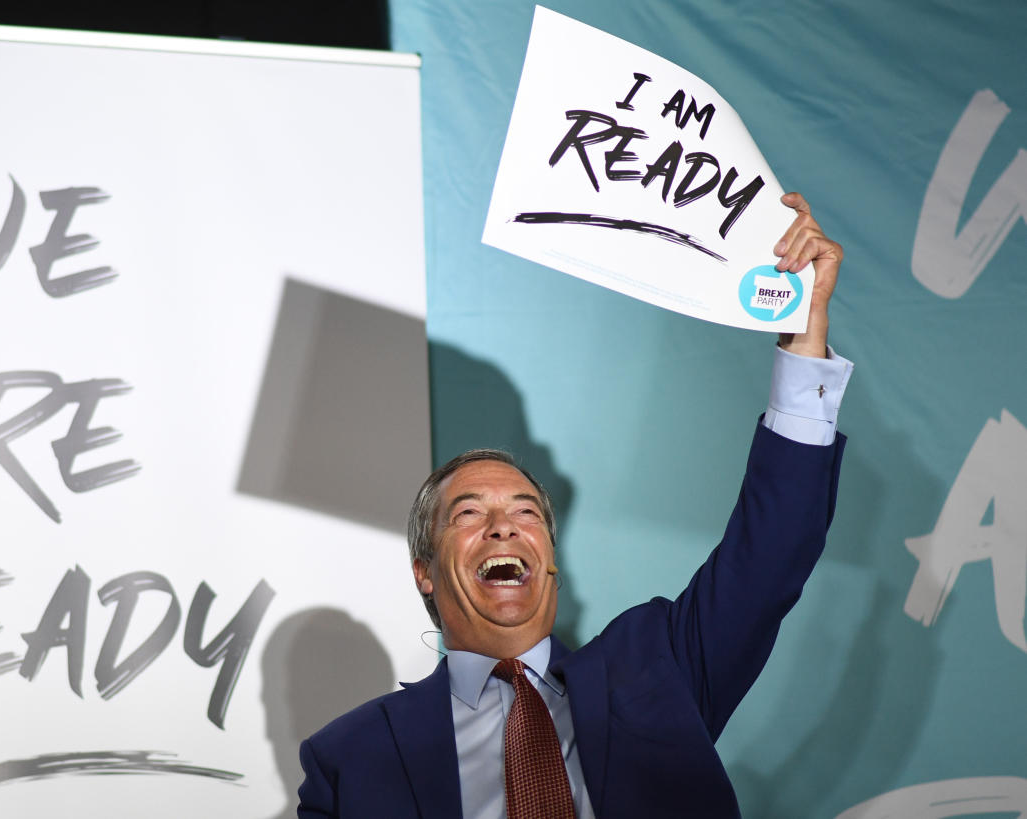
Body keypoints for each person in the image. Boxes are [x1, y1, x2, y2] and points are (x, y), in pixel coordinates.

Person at [297, 193, 852, 818]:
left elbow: (771, 554)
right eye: (469, 513)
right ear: (423, 568)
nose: (504, 526)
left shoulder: (657, 668)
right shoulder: (348, 758)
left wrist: (804, 334)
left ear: (551, 560)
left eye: (528, 512)